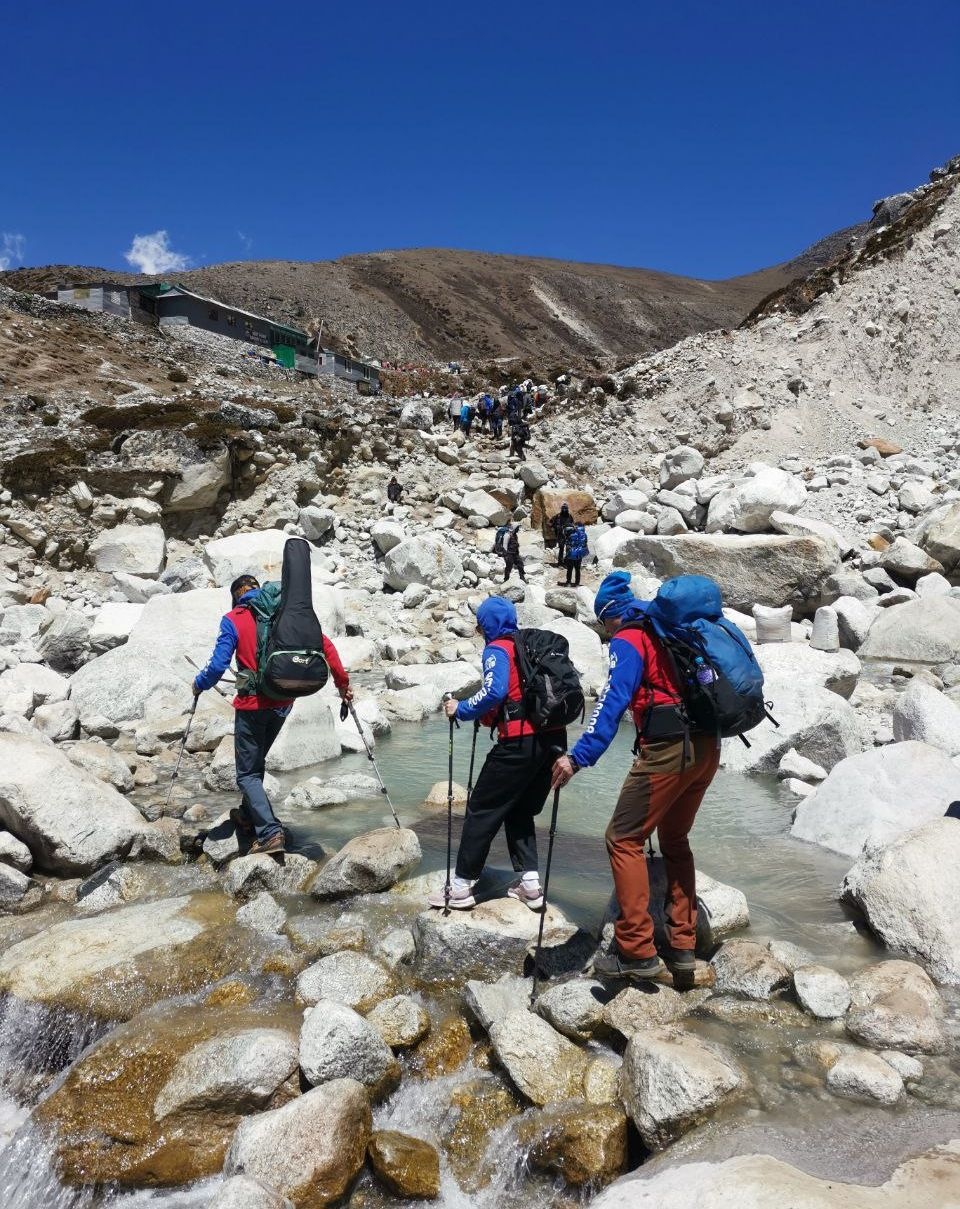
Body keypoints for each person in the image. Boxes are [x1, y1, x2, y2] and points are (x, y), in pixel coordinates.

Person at [550, 571, 721, 980]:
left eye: (601, 624)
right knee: (675, 840)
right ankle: (683, 947)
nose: (604, 632)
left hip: (668, 750)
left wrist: (577, 758)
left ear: (610, 617)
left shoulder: (629, 638)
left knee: (623, 838)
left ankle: (637, 952)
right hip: (709, 747)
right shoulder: (671, 628)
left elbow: (611, 703)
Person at [193, 573, 353, 854]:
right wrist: (343, 686)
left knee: (246, 774)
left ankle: (269, 832)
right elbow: (326, 647)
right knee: (256, 762)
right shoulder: (286, 614)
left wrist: (199, 684)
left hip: (252, 706)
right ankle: (247, 815)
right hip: (283, 702)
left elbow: (218, 665)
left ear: (236, 596)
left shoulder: (234, 618)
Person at [429, 597, 566, 910]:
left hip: (519, 744)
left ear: (487, 625)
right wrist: (487, 716)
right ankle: (530, 885)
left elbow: (495, 691)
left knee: (481, 807)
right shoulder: (528, 648)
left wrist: (461, 709)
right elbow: (515, 699)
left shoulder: (498, 649)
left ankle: (462, 885)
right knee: (519, 810)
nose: (479, 630)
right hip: (553, 741)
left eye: (480, 624)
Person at [563, 522, 588, 586]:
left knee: (570, 569)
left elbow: (567, 542)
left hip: (571, 553)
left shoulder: (570, 533)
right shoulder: (584, 534)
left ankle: (568, 582)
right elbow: (585, 543)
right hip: (579, 553)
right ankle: (577, 583)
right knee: (577, 569)